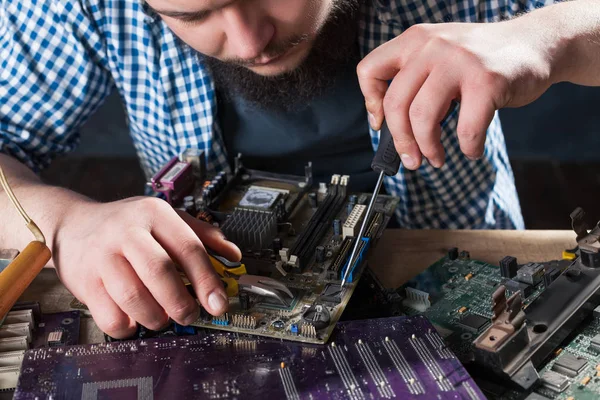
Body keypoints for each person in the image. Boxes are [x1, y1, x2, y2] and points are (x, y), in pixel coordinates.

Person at [0, 0, 598, 338]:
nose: (250, 39)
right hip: (215, 299)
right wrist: (64, 222)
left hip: (464, 271)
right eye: (191, 14)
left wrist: (548, 37)